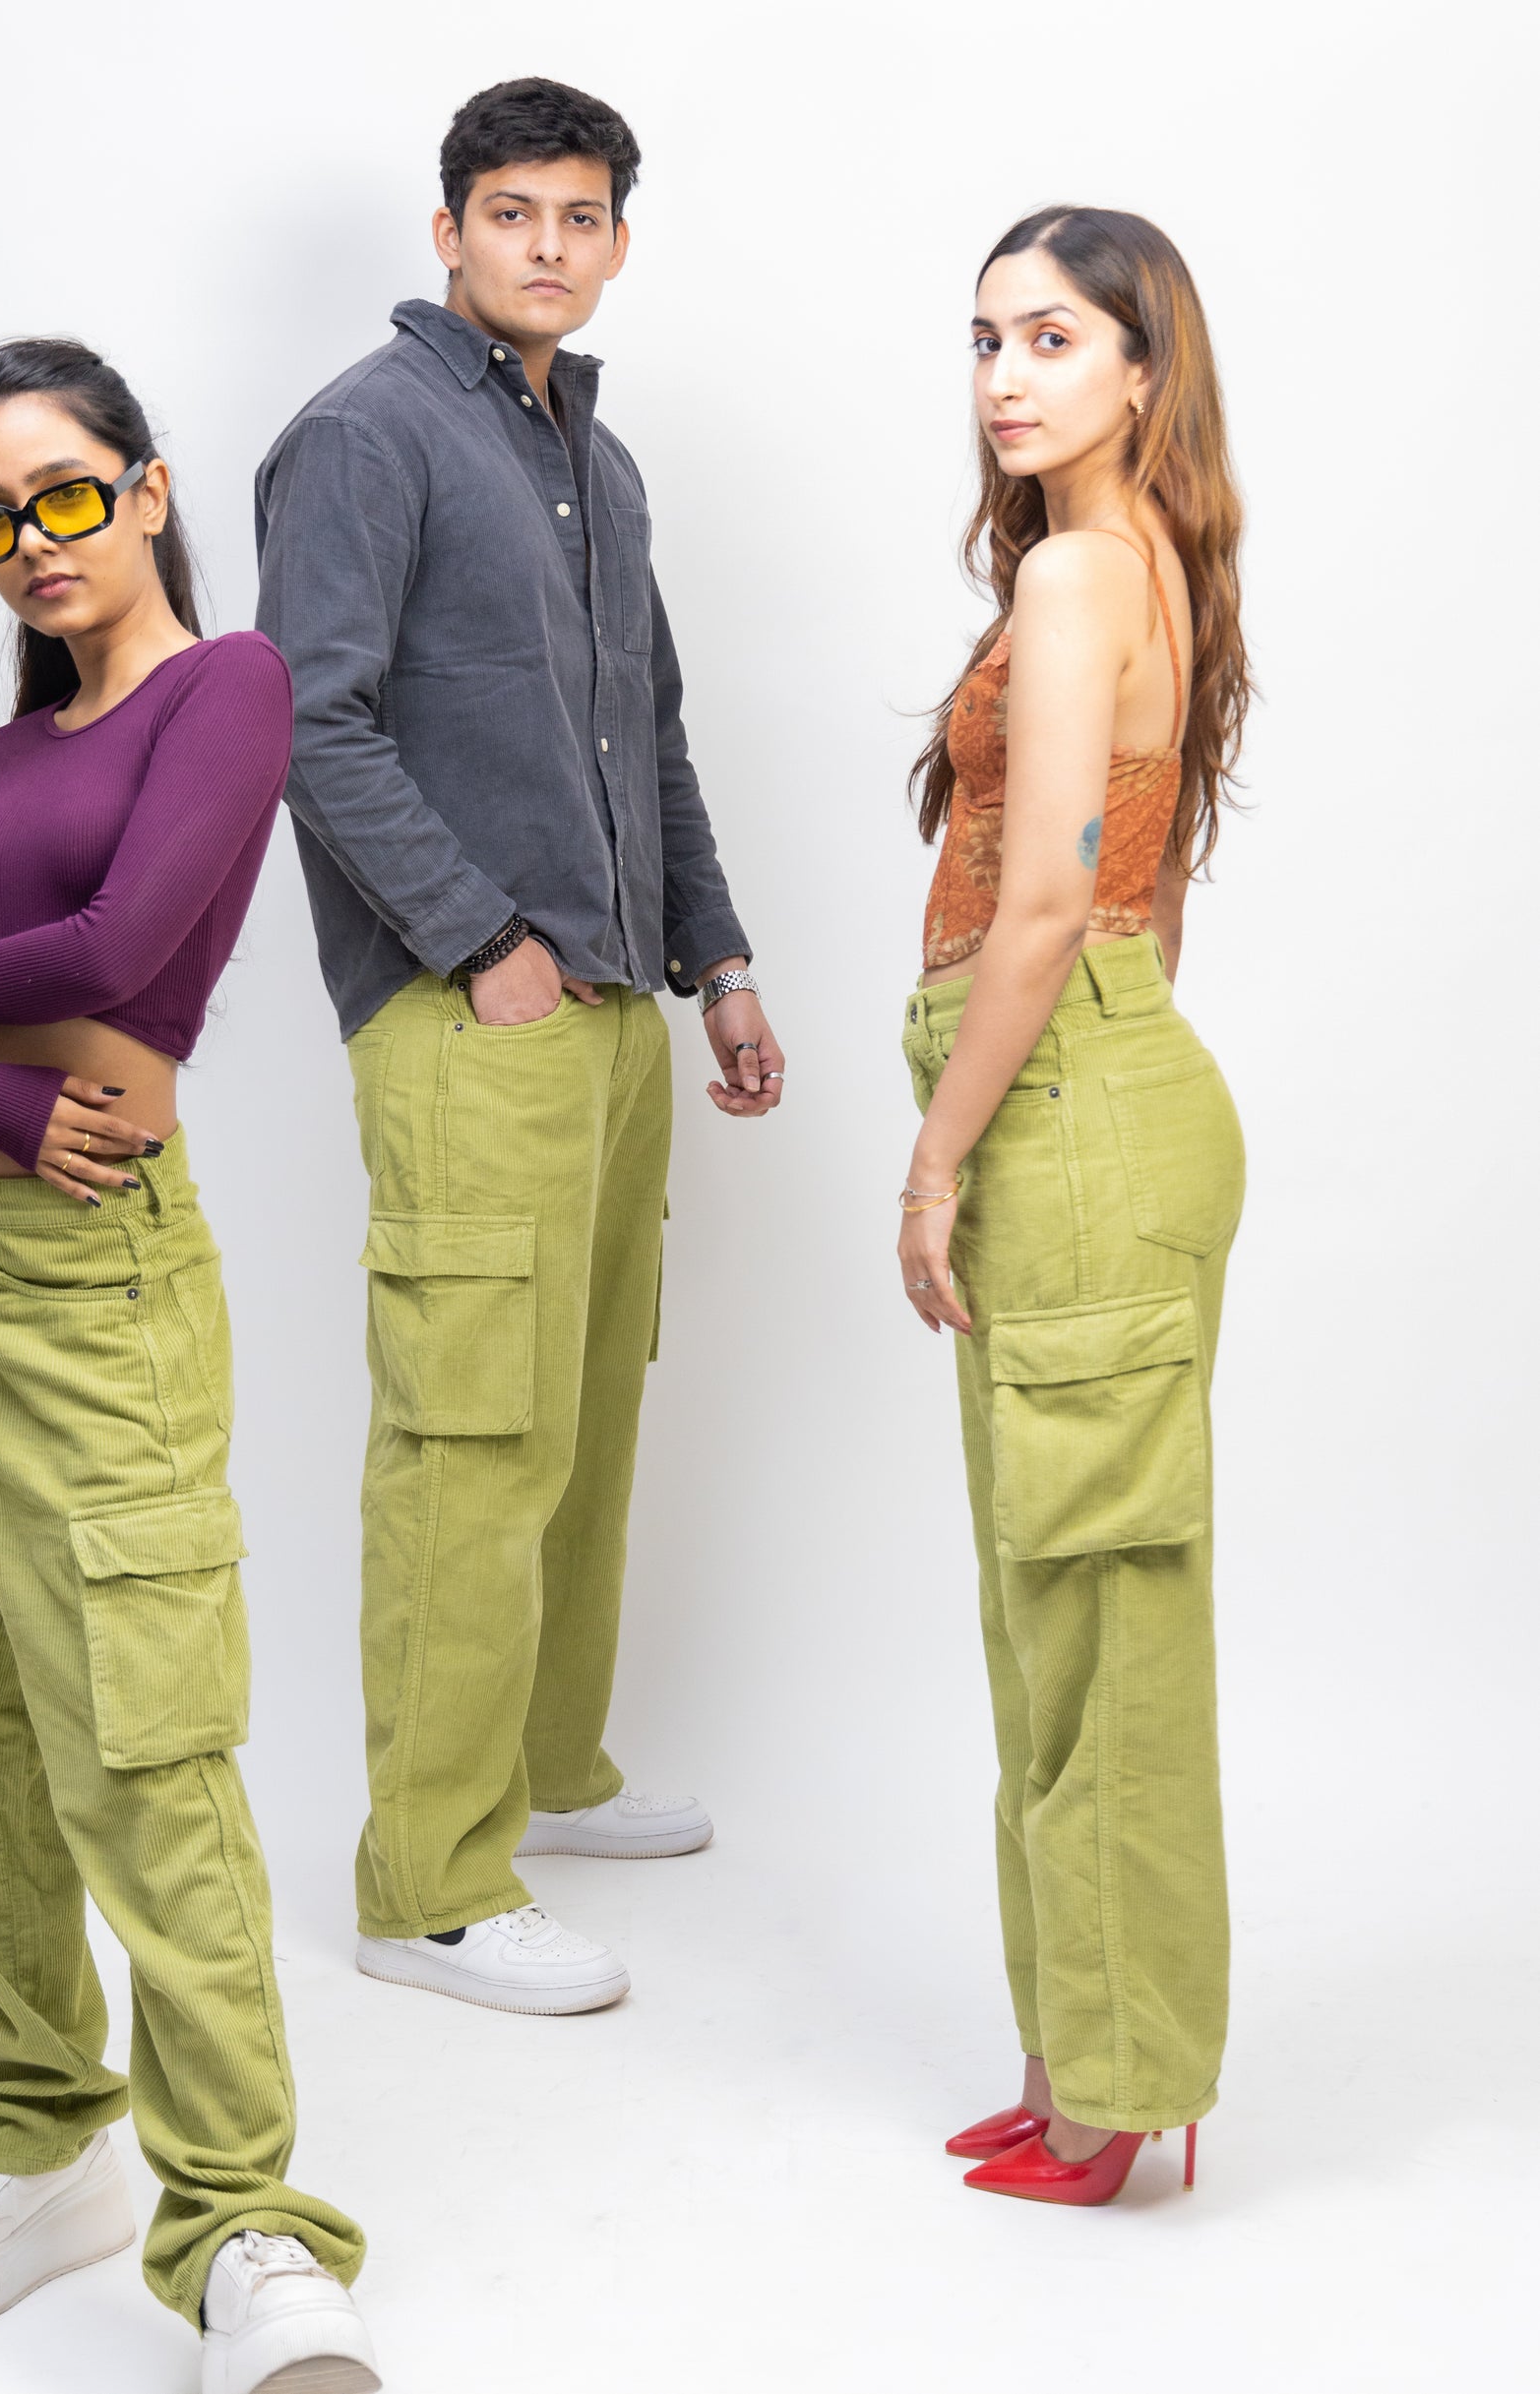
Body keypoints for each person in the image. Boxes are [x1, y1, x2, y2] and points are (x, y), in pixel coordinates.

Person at [0, 339, 379, 2389]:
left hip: (85, 1287)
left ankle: (245, 2217)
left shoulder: (226, 688)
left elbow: (125, 944)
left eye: (64, 493)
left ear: (147, 489)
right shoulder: (12, 754)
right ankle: (27, 2132)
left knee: (147, 1747)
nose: (31, 542)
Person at [255, 77, 783, 2015]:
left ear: (616, 242)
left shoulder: (598, 463)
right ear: (449, 231)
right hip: (468, 1014)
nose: (545, 244)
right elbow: (306, 721)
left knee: (582, 1410)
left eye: (578, 216)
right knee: (470, 1437)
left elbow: (650, 733)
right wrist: (479, 941)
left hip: (618, 1012)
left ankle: (550, 1770)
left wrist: (717, 958)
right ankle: (427, 1883)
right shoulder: (363, 434)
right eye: (509, 211)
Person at [899, 208, 1251, 2205]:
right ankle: (1071, 2058)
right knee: (1050, 1601)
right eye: (982, 339)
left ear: (1141, 367)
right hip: (1093, 1099)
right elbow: (1146, 883)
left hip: (1062, 1111)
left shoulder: (1075, 570)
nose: (1004, 376)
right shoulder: (1141, 563)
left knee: (1098, 1620)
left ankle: (1117, 2090)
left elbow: (1045, 902)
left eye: (1050, 337)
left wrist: (937, 1157)